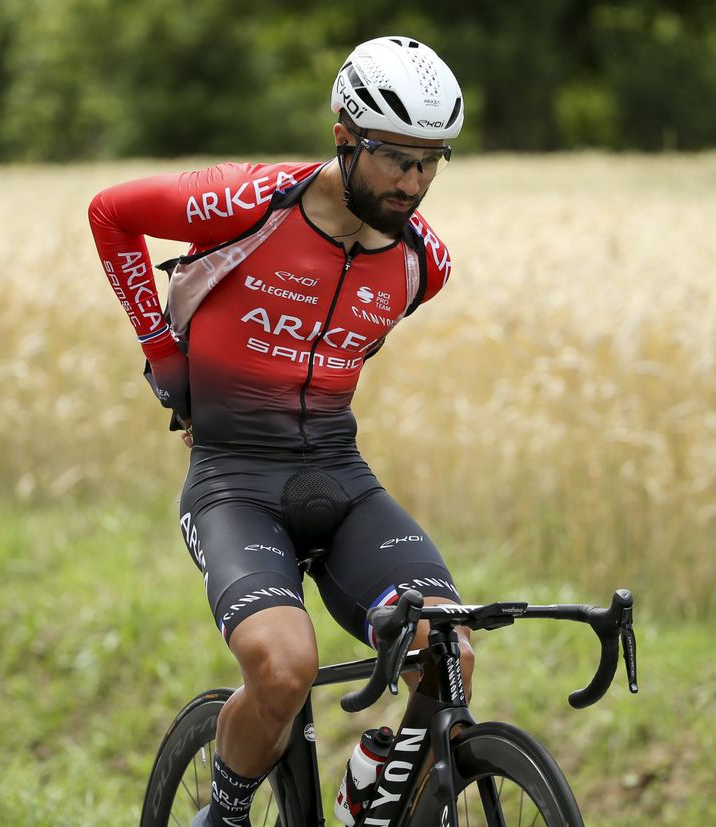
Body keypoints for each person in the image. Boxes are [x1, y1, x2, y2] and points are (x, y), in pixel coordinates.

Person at [88, 36, 473, 827]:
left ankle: (375, 787)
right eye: (397, 158)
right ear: (344, 136)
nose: (414, 183)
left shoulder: (421, 261)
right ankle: (225, 812)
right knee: (284, 664)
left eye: (432, 162)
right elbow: (112, 213)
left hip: (340, 477)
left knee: (451, 651)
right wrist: (163, 349)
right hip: (234, 481)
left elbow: (353, 332)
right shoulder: (249, 200)